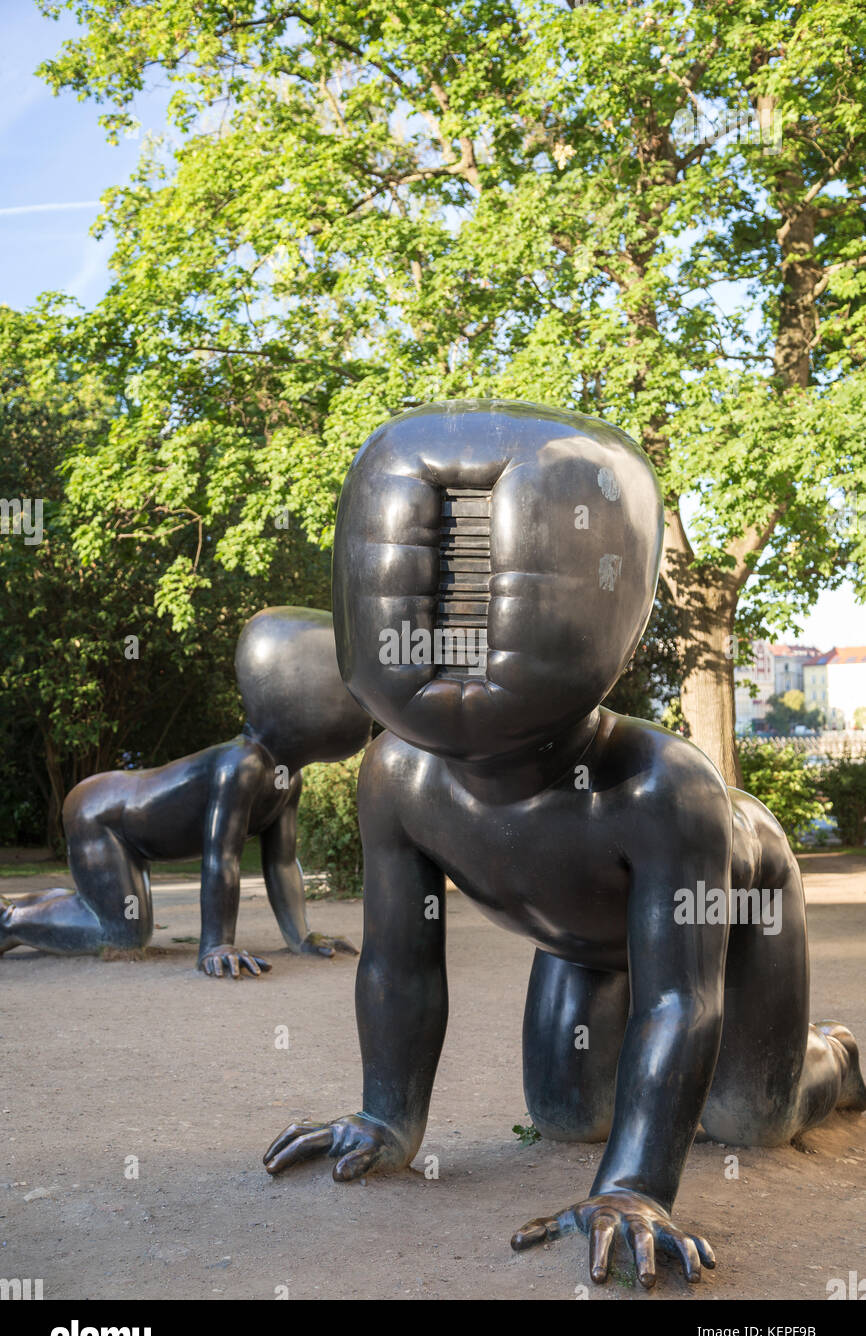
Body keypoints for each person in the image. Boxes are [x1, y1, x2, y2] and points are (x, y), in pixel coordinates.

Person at [263, 402, 866, 1288]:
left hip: (734, 912)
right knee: (562, 1112)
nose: (453, 611)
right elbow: (399, 961)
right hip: (584, 934)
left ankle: (841, 1056)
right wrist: (387, 1118)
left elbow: (681, 999)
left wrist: (633, 1187)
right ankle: (663, 1100)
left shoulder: (664, 790)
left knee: (751, 1118)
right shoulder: (399, 778)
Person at [1, 607, 371, 978]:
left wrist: (302, 936)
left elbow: (282, 863)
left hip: (117, 810)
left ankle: (38, 910)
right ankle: (9, 920)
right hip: (104, 815)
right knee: (124, 934)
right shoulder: (241, 765)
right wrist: (216, 944)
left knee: (113, 919)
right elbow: (221, 859)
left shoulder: (286, 779)